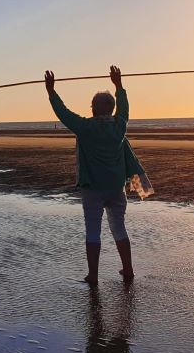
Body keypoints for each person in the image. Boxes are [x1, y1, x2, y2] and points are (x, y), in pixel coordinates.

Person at [45, 66, 153, 284]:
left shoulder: (85, 127)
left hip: (92, 188)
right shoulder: (119, 126)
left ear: (93, 109)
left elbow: (63, 113)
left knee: (93, 231)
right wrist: (119, 85)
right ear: (111, 110)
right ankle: (128, 269)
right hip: (116, 188)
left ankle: (93, 275)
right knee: (119, 228)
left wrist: (51, 91)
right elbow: (124, 109)